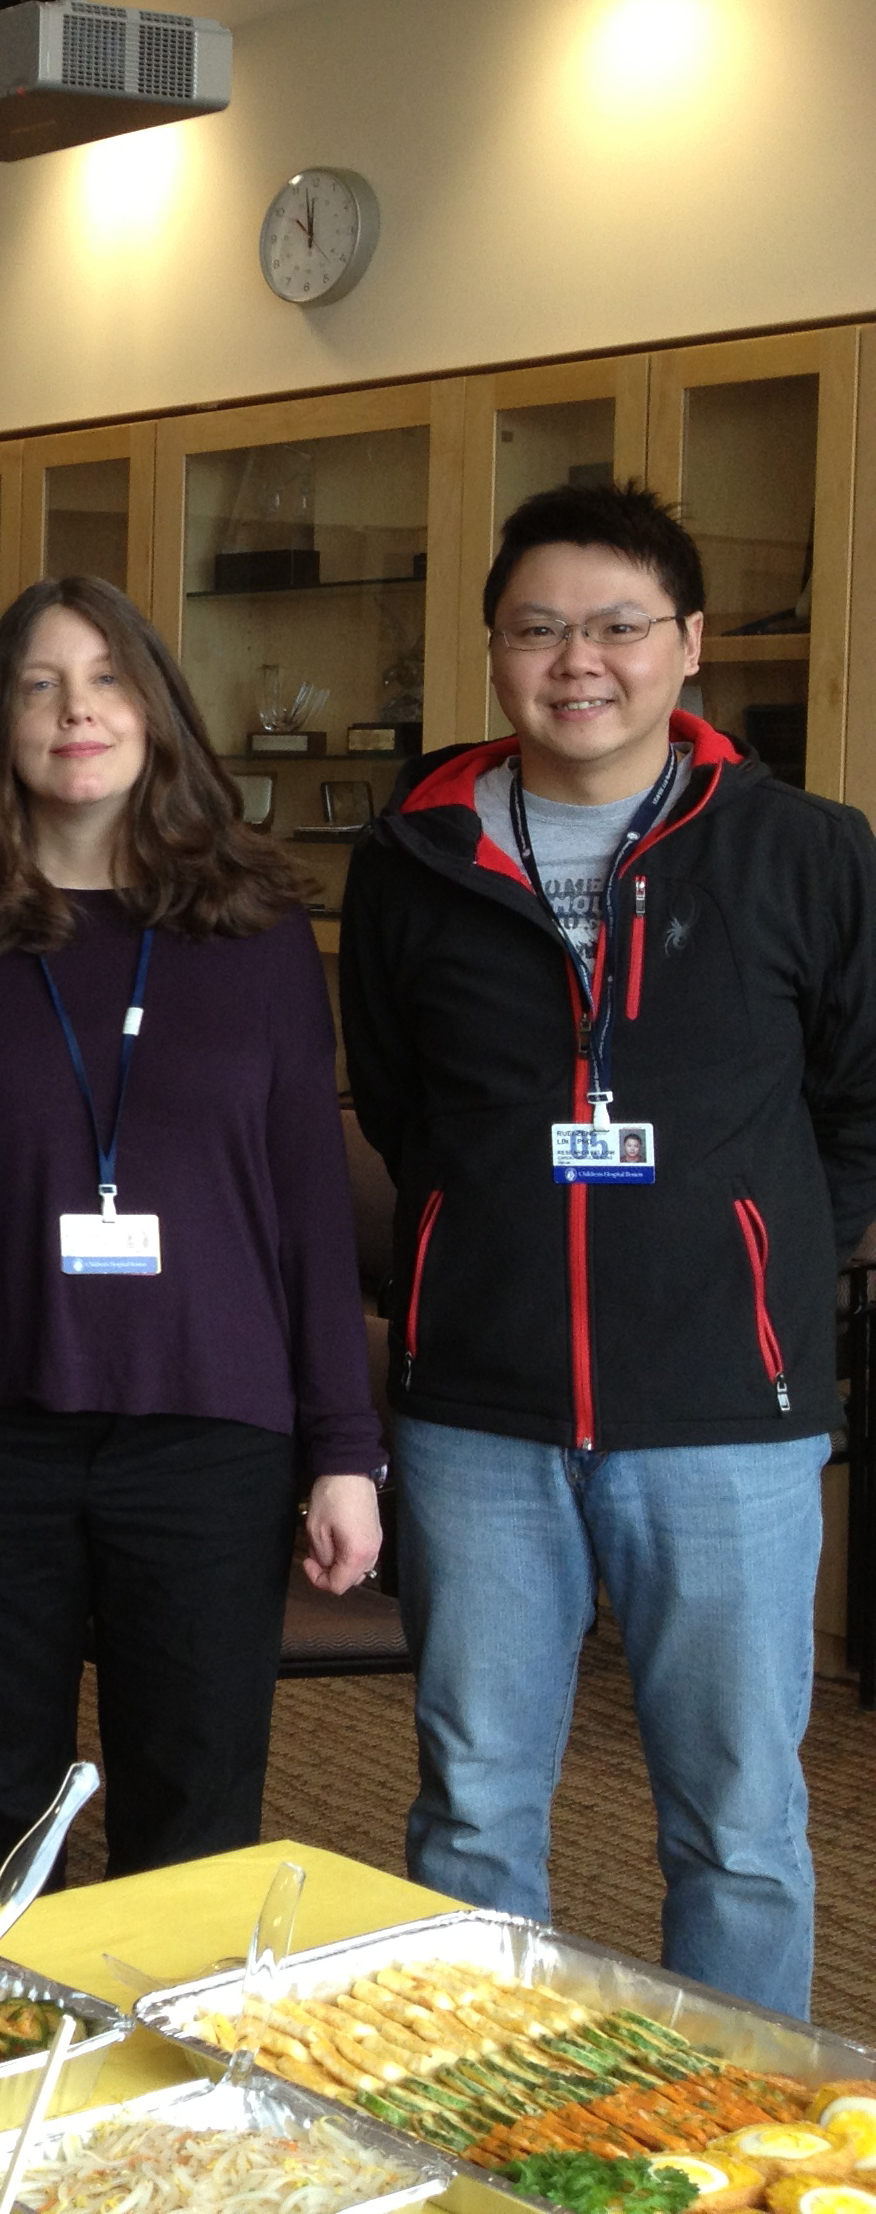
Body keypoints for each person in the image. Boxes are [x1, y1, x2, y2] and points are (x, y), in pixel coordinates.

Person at [342, 478, 876, 2018]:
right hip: (481, 1419)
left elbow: (862, 1102)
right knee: (473, 1809)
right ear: (494, 649)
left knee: (742, 1828)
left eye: (620, 626)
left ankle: (734, 2128)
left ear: (689, 645)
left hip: (727, 1422)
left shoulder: (806, 853)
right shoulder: (414, 856)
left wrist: (755, 1264)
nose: (580, 661)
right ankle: (477, 2113)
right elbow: (401, 1100)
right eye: (539, 629)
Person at [0, 576, 385, 1902]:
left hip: (208, 1438)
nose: (78, 711)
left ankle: (169, 2100)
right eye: (39, 685)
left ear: (160, 709)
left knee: (191, 1803)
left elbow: (308, 1202)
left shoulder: (255, 934)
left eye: (108, 679)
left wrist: (344, 1454)